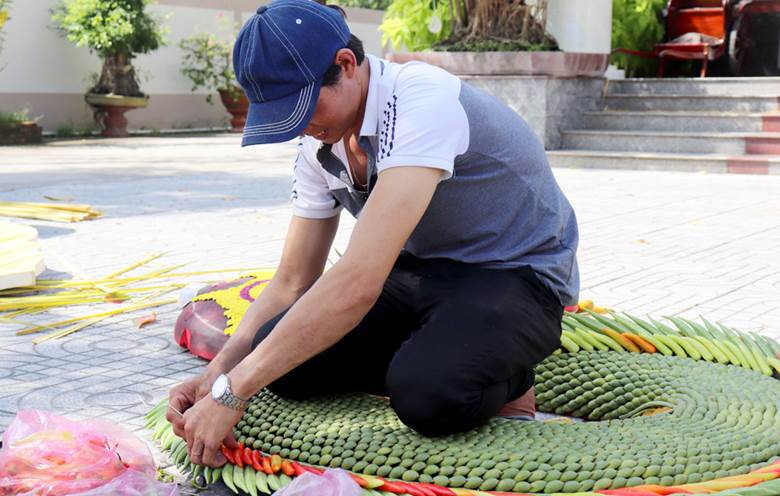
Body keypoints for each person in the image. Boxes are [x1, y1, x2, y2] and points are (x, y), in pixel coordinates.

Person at [167, 0, 579, 468]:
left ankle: (510, 377)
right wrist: (219, 375)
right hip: (419, 273)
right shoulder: (319, 140)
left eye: (300, 107)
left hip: (514, 276)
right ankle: (439, 344)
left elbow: (359, 281)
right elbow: (292, 282)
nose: (298, 127)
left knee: (428, 395)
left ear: (346, 65)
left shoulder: (421, 102)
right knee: (277, 361)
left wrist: (231, 397)